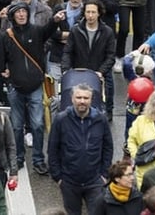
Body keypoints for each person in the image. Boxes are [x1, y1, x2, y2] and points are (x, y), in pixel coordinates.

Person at [0, 0, 66, 177]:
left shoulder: (36, 30)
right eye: (17, 12)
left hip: (35, 86)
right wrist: (5, 75)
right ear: (12, 16)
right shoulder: (6, 36)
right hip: (15, 88)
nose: (21, 14)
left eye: (24, 11)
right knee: (17, 126)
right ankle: (18, 158)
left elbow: (48, 30)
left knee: (37, 124)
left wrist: (55, 20)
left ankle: (38, 160)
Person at [48, 83, 113, 215]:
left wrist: (104, 175)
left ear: (91, 99)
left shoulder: (100, 119)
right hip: (69, 182)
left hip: (95, 181)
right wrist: (58, 177)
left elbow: (108, 148)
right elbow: (52, 149)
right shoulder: (61, 120)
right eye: (78, 97)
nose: (82, 101)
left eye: (86, 98)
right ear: (72, 98)